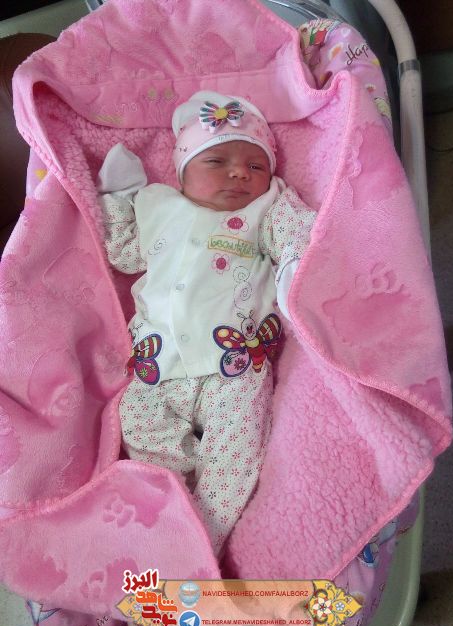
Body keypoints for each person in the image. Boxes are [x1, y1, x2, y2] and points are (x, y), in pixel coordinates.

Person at [97, 91, 317, 556]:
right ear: (182, 174)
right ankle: (174, 517)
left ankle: (205, 540)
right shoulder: (158, 207)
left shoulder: (267, 207)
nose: (240, 173)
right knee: (136, 422)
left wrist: (296, 269)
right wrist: (119, 197)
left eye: (255, 165)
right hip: (159, 368)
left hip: (233, 367)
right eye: (217, 161)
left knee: (237, 450)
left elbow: (297, 234)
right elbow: (125, 254)